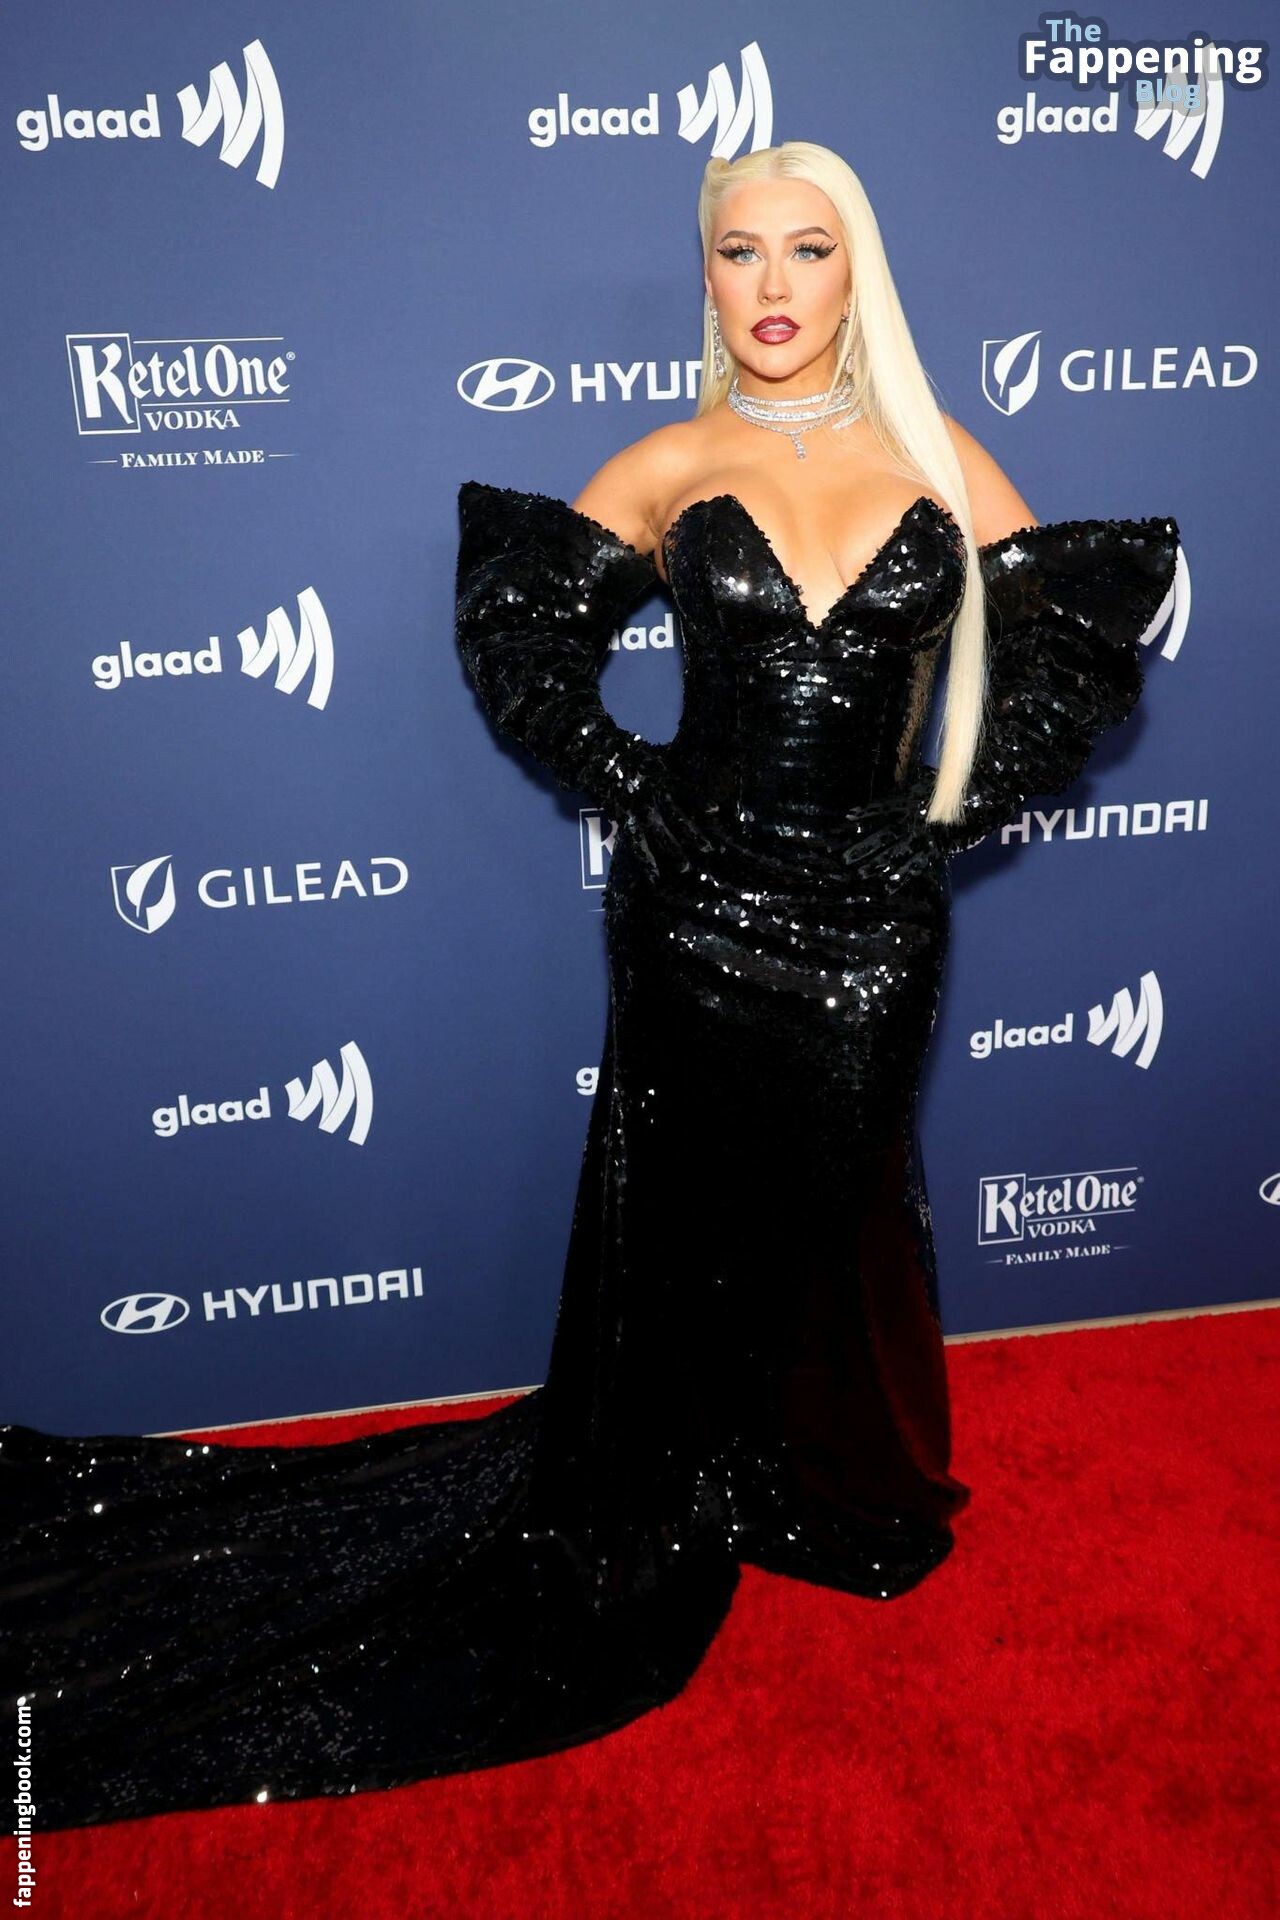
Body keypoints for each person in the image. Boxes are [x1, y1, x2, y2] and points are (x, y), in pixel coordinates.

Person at [0, 141, 1179, 1831]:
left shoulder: (937, 452)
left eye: (809, 249)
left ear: (858, 268)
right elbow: (521, 632)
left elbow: (1072, 648)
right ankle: (667, 1480)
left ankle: (827, 1480)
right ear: (706, 272)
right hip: (695, 916)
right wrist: (632, 783)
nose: (773, 285)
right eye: (740, 251)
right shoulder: (670, 461)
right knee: (681, 1203)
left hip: (872, 927)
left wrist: (945, 814)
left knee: (844, 1196)